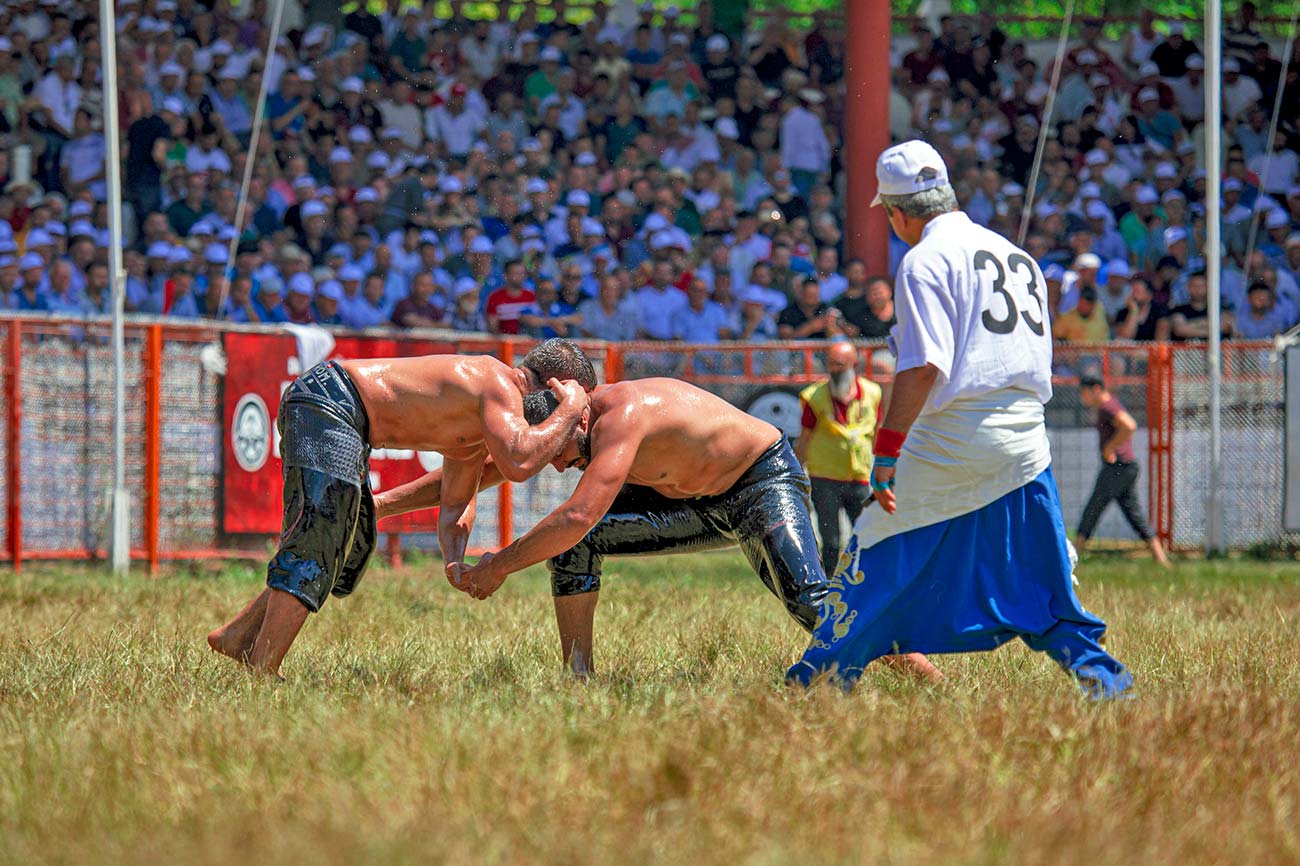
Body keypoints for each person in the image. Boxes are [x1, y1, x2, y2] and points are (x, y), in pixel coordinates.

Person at [788, 141, 1133, 699]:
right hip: (1025, 438)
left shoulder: (924, 260)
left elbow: (924, 366)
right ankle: (1105, 681)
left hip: (953, 433)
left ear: (899, 213)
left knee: (872, 547)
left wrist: (887, 452)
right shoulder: (1015, 254)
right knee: (1044, 576)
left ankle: (822, 678)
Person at [444, 379, 939, 683]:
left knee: (809, 600)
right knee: (579, 546)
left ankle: (926, 677)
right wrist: (384, 506)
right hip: (698, 503)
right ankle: (580, 681)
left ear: (574, 417)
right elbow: (485, 468)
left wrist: (499, 565)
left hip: (762, 481)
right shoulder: (581, 431)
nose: (556, 468)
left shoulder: (622, 417)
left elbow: (576, 516)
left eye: (558, 454)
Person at [206, 339, 597, 679]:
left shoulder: (478, 429)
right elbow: (519, 463)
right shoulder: (497, 381)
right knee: (322, 537)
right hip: (331, 400)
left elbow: (455, 502)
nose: (571, 424)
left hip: (336, 409)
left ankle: (239, 637)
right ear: (555, 388)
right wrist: (570, 409)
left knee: (332, 536)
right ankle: (262, 669)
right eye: (573, 409)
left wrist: (454, 561)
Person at [795, 342, 880, 577]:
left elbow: (876, 433)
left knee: (866, 536)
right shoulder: (814, 396)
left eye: (840, 365)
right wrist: (794, 474)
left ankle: (867, 581)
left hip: (859, 477)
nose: (834, 369)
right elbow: (805, 439)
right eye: (831, 364)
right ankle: (829, 585)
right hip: (825, 478)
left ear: (855, 364)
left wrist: (884, 467)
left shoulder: (873, 393)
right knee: (830, 541)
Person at [1074, 374, 1170, 567]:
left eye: (1085, 393)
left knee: (1093, 509)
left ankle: (1072, 557)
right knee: (1134, 514)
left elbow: (1130, 425)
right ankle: (1161, 559)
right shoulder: (1108, 406)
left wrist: (1110, 447)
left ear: (1097, 389)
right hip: (1126, 467)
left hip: (1118, 468)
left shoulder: (1108, 406)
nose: (1083, 398)